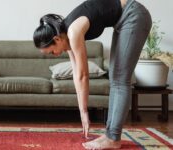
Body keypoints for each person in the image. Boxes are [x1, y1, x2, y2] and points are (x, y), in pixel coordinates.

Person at [33, 0, 151, 149]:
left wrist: (84, 112)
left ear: (56, 39)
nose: (54, 55)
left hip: (133, 15)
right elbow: (76, 73)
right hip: (123, 20)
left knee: (120, 79)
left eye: (51, 52)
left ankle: (113, 138)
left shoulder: (73, 32)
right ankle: (110, 135)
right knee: (116, 78)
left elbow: (83, 75)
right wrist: (81, 109)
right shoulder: (65, 36)